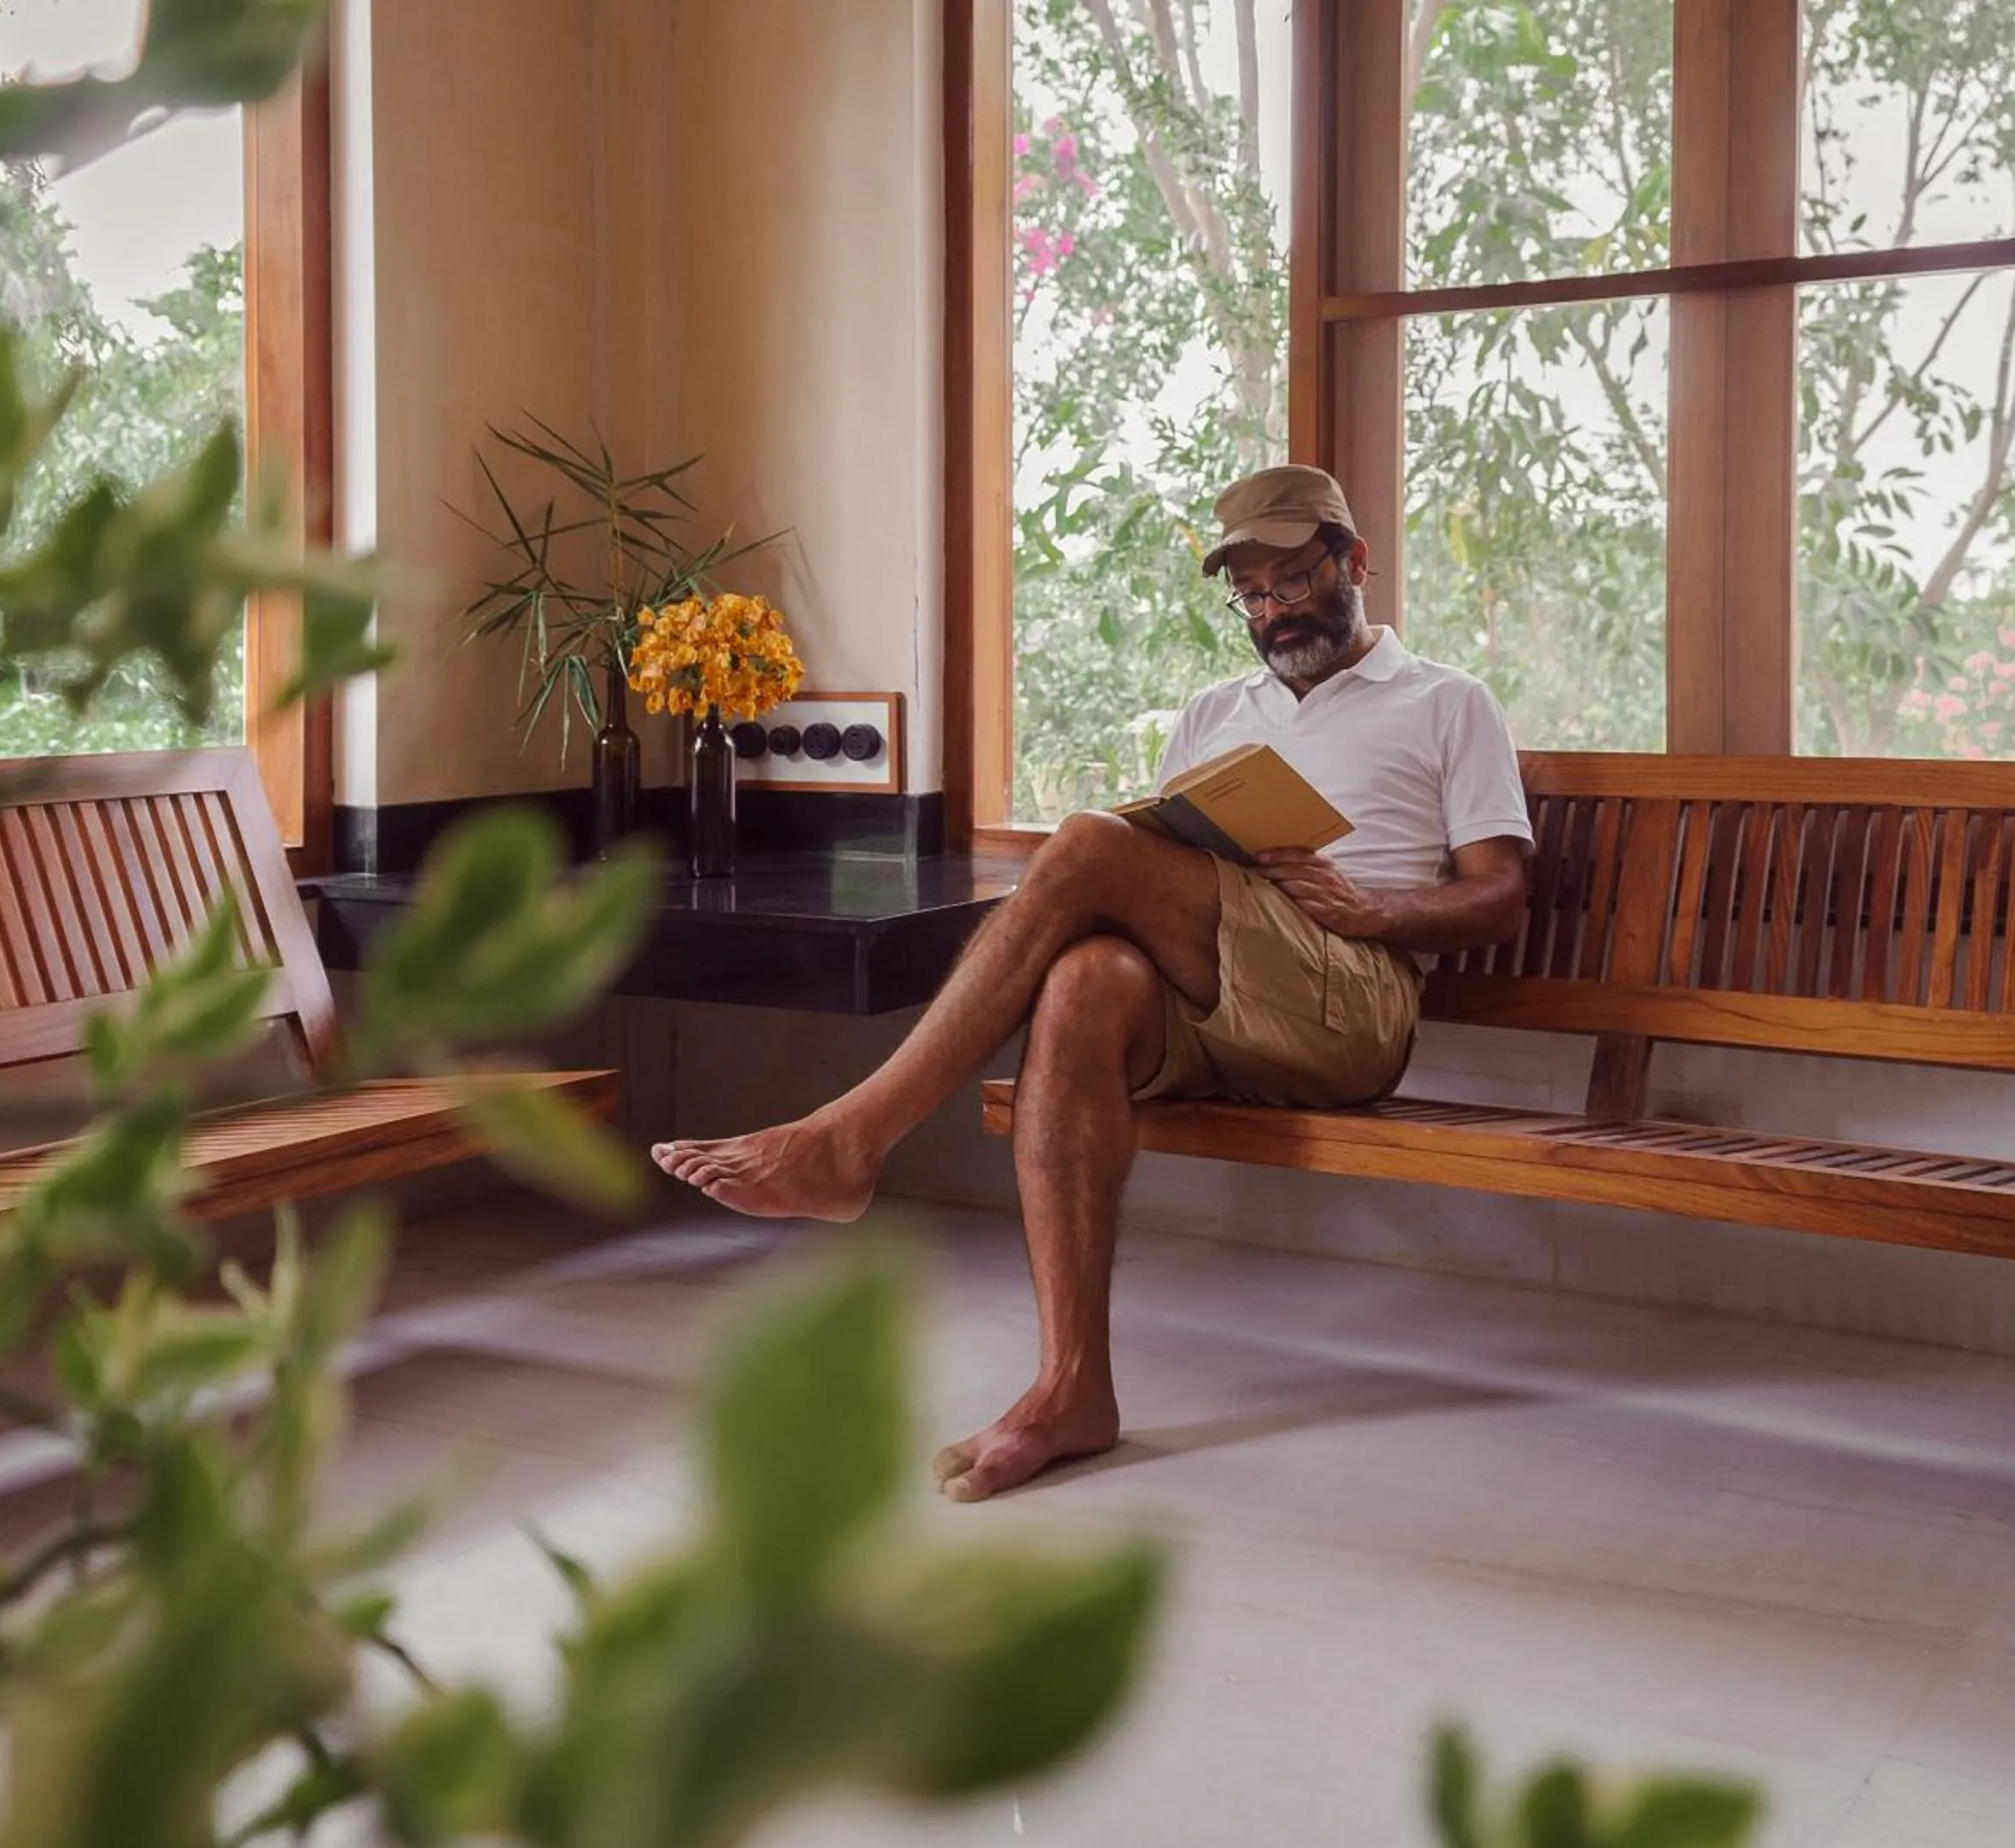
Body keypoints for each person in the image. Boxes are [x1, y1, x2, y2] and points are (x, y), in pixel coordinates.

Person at [652, 464, 1534, 1499]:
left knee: (1084, 846)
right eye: (1251, 593)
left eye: (1294, 582)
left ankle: (852, 1138)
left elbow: (1501, 896)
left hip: (1349, 1003)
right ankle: (1074, 1386)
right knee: (1085, 980)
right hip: (1218, 997)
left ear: (1357, 562)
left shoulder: (1446, 702)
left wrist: (1376, 908)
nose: (1273, 612)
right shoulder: (1216, 712)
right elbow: (1167, 873)